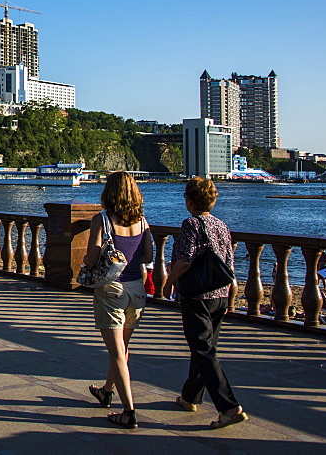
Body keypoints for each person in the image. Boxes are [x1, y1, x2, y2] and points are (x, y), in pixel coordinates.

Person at [163, 177, 248, 430]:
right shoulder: (222, 225)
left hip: (197, 296)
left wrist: (169, 282)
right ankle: (190, 396)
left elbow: (186, 260)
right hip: (219, 293)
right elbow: (229, 263)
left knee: (203, 350)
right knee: (204, 346)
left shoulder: (191, 223)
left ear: (189, 200)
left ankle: (229, 407)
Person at [83, 171, 152, 429]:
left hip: (112, 290)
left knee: (117, 353)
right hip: (137, 289)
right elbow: (146, 256)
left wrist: (95, 258)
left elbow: (91, 258)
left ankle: (129, 411)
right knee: (122, 349)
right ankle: (106, 391)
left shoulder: (101, 220)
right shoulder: (142, 222)